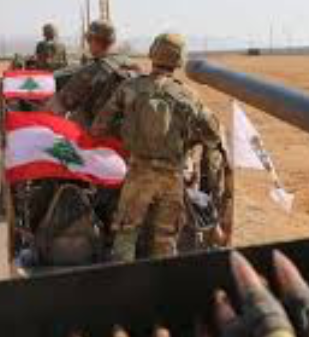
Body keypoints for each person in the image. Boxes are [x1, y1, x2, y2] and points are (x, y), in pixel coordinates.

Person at [91, 33, 228, 262]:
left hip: (138, 174)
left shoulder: (129, 88)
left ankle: (123, 281)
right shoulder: (188, 96)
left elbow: (98, 127)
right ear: (179, 59)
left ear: (153, 53)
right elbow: (213, 135)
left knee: (126, 235)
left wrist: (126, 132)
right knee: (166, 240)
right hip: (172, 178)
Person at [46, 20, 140, 128]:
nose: (88, 44)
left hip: (93, 133)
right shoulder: (133, 65)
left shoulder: (91, 70)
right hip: (125, 132)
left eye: (88, 39)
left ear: (95, 40)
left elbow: (57, 107)